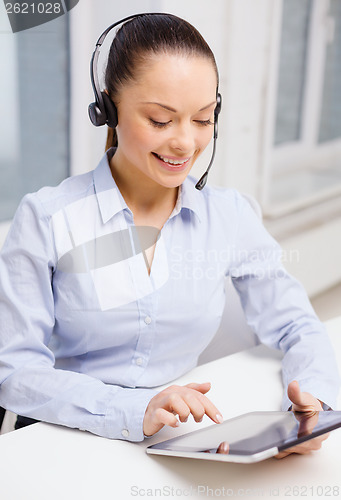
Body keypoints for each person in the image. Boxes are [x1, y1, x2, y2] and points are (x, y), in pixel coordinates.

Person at [0, 13, 339, 457]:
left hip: (177, 439)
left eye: (202, 119)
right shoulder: (46, 217)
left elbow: (298, 325)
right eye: (161, 120)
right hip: (63, 441)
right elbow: (14, 370)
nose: (184, 142)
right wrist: (131, 409)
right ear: (109, 109)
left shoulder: (230, 216)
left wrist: (313, 406)